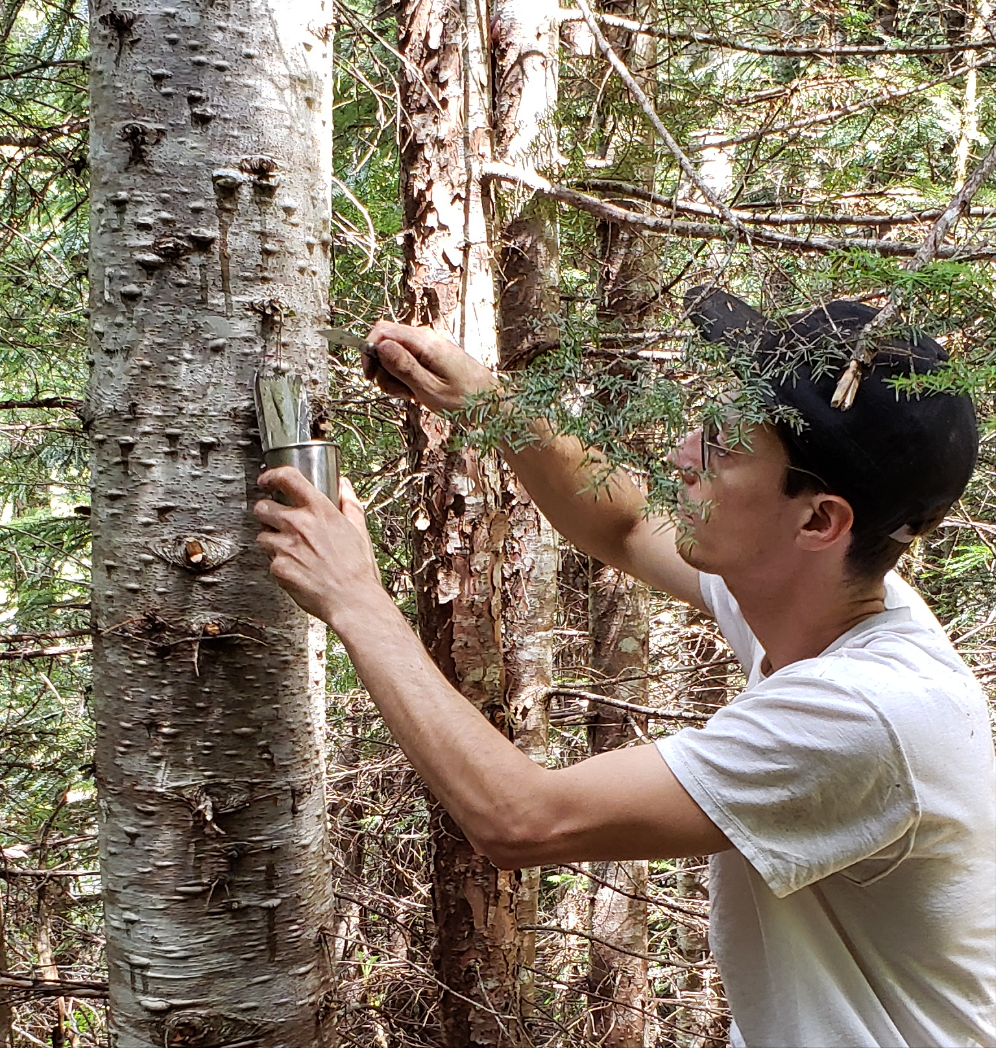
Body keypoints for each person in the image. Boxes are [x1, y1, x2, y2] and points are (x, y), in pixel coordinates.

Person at [253, 288, 996, 1048]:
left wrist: (354, 598)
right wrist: (484, 399)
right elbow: (628, 521)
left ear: (819, 519)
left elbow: (521, 818)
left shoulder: (865, 716)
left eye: (723, 446)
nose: (682, 455)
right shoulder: (823, 589)